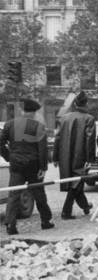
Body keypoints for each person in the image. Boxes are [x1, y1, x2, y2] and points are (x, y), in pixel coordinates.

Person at [1, 99, 54, 235]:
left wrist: (8, 156)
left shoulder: (9, 124)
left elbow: (0, 142)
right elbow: (42, 149)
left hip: (16, 164)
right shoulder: (38, 126)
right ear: (34, 112)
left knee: (14, 194)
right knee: (38, 193)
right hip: (34, 165)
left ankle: (10, 225)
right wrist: (43, 167)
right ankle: (45, 221)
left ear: (22, 111)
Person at [54, 91, 96, 220]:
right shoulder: (89, 118)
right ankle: (66, 211)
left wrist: (55, 157)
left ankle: (85, 206)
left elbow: (57, 138)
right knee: (76, 183)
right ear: (86, 104)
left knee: (76, 182)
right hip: (80, 155)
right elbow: (89, 140)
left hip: (65, 156)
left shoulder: (64, 118)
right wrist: (90, 159)